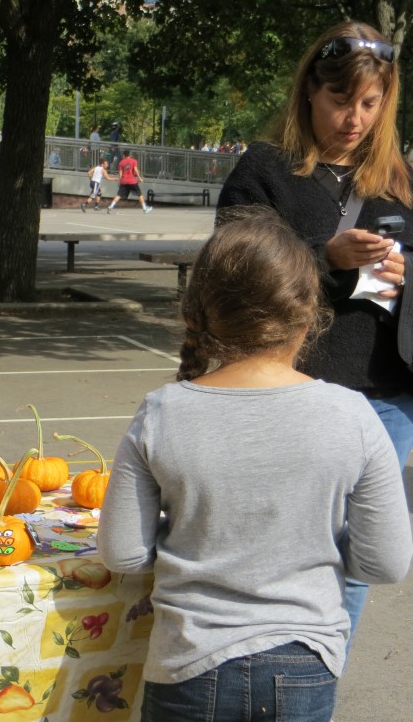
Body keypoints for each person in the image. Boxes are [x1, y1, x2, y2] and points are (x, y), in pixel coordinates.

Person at [99, 215, 412, 722]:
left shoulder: (163, 411)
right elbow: (386, 562)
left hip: (187, 661)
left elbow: (123, 552)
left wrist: (194, 532)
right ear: (311, 313)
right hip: (306, 660)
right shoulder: (352, 415)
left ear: (200, 311)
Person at [217, 21, 413, 641]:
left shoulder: (399, 178)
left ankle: (316, 683)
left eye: (369, 104)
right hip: (289, 392)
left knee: (355, 562)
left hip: (387, 396)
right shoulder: (266, 169)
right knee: (277, 550)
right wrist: (324, 255)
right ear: (308, 92)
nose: (353, 119)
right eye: (339, 101)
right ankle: (267, 667)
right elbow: (233, 267)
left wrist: (407, 271)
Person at [106, 149, 152, 213]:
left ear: (124, 155)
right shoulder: (134, 161)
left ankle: (110, 207)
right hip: (132, 181)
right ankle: (145, 208)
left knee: (119, 195)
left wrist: (120, 181)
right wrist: (139, 178)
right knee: (139, 194)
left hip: (124, 181)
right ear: (129, 155)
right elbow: (136, 170)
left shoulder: (121, 163)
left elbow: (120, 173)